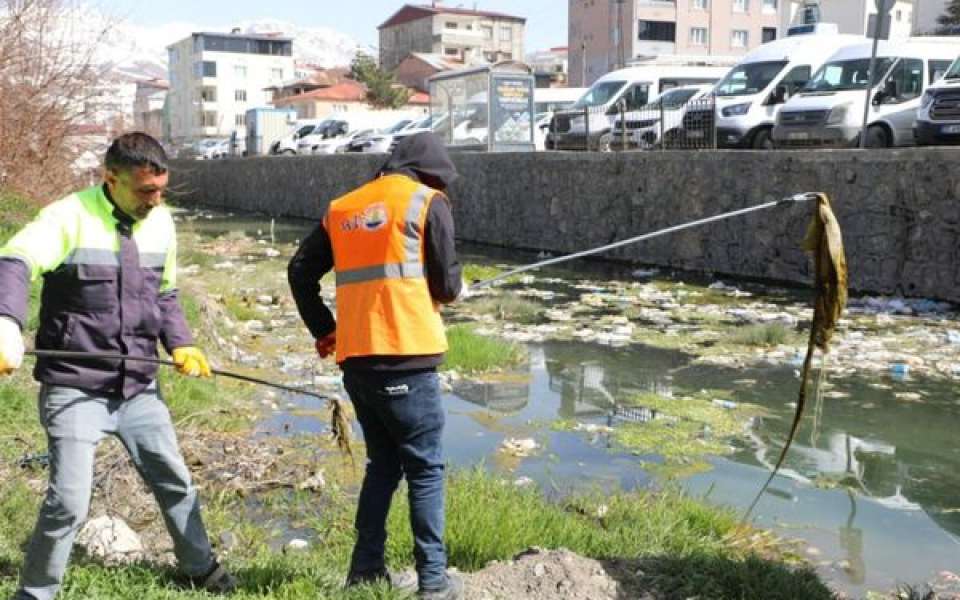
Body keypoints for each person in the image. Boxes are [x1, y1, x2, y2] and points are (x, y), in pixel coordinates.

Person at [0, 132, 236, 600]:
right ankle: (35, 592)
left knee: (175, 480)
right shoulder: (68, 216)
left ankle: (198, 566)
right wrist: (6, 323)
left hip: (138, 385)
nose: (156, 199)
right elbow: (15, 259)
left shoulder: (162, 222)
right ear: (111, 177)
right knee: (68, 501)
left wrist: (182, 344)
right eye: (145, 190)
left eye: (161, 189)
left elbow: (165, 294)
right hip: (75, 387)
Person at [288, 131, 464, 600]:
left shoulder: (342, 208)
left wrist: (325, 329)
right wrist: (456, 291)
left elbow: (299, 271)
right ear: (430, 173)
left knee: (382, 466)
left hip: (359, 362)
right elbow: (447, 287)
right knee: (425, 470)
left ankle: (365, 573)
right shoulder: (428, 202)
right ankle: (434, 583)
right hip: (408, 358)